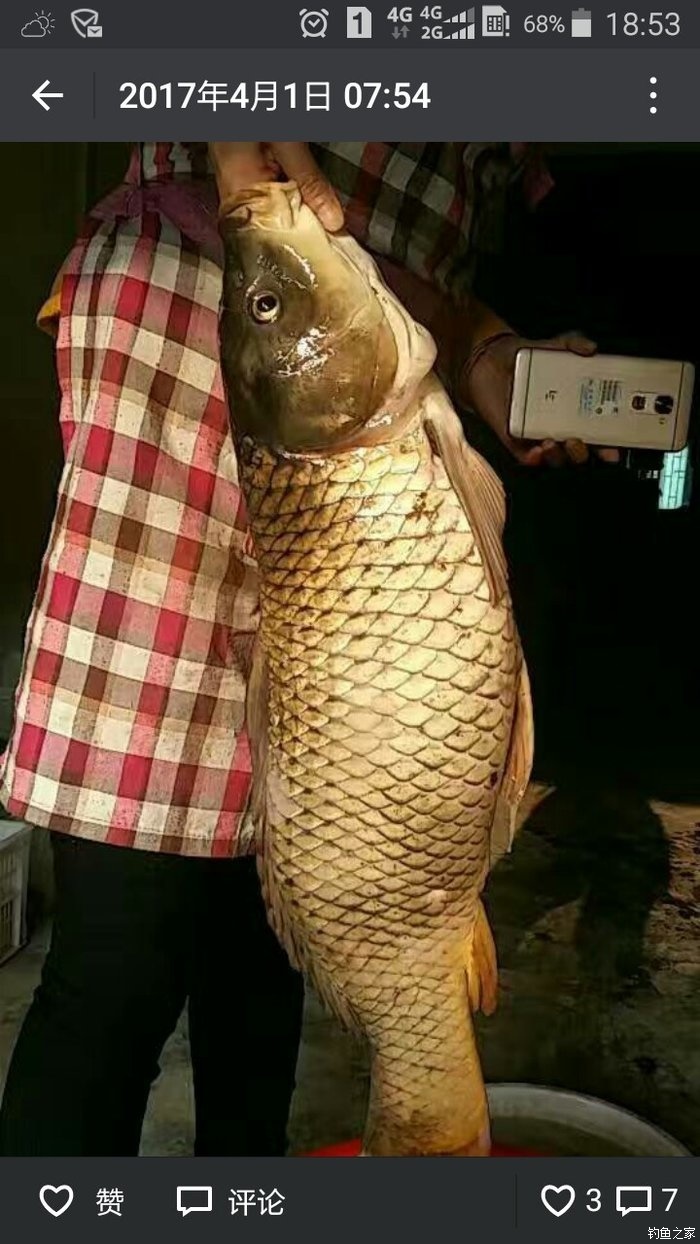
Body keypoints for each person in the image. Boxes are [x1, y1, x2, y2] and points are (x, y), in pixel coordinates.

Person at [0, 141, 614, 1158]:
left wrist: (482, 351)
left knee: (274, 940)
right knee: (122, 957)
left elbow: (421, 260)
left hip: (369, 379)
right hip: (201, 332)